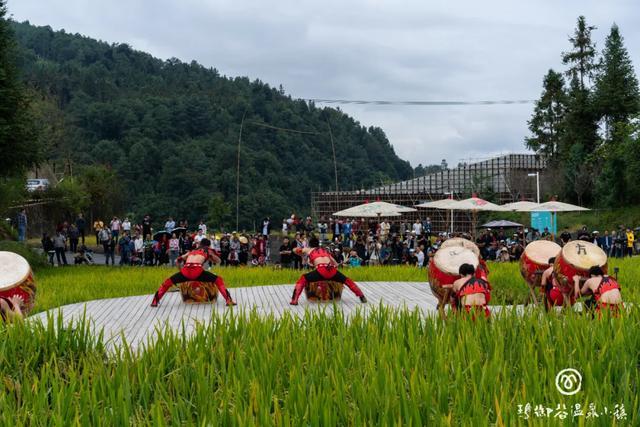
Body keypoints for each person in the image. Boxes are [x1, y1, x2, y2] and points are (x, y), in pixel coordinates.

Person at [151, 238, 236, 307]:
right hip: (197, 271)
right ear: (208, 245)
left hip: (185, 270)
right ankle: (229, 300)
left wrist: (180, 271)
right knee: (218, 280)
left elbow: (178, 260)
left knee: (168, 282)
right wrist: (212, 256)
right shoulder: (207, 250)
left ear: (200, 244)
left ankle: (155, 301)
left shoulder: (191, 251)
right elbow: (219, 261)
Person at [289, 236, 367, 305]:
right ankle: (362, 296)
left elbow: (296, 250)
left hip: (321, 270)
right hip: (331, 269)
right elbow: (335, 264)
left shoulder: (308, 249)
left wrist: (296, 250)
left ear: (310, 244)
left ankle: (294, 300)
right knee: (347, 280)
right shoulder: (325, 251)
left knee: (303, 278)